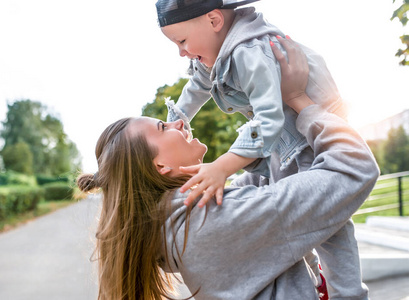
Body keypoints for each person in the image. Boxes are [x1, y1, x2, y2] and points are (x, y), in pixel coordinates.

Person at [76, 38, 379, 300]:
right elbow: (352, 170)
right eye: (162, 126)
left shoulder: (185, 218)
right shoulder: (209, 220)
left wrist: (273, 127)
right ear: (160, 166)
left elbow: (275, 183)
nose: (178, 121)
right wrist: (301, 101)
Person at [155, 1, 367, 298]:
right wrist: (177, 120)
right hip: (285, 141)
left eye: (182, 41)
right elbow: (196, 87)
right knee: (298, 213)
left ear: (214, 20)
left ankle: (348, 293)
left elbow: (269, 119)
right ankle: (315, 277)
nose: (181, 52)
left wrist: (223, 166)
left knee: (332, 226)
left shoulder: (248, 53)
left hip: (308, 139)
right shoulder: (215, 54)